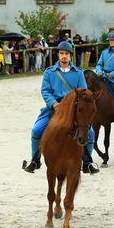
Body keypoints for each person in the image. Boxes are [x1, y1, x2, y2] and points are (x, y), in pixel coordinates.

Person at [22, 41, 99, 174]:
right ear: (58, 54)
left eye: (67, 54)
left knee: (90, 133)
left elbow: (84, 92)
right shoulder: (49, 72)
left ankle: (87, 162)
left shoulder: (78, 73)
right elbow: (45, 91)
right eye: (61, 53)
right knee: (36, 130)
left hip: (73, 109)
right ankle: (35, 160)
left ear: (71, 56)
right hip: (54, 108)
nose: (64, 56)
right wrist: (54, 103)